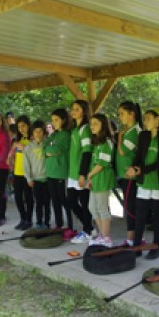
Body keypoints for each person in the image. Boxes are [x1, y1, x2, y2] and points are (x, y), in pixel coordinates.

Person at [126, 109, 159, 259]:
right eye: (144, 119)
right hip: (144, 182)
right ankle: (136, 246)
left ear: (158, 120)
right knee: (140, 215)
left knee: (158, 216)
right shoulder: (143, 135)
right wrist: (133, 167)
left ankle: (155, 246)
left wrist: (141, 170)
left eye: (149, 119)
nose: (145, 122)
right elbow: (139, 155)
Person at [68, 100, 96, 244]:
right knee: (71, 201)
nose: (73, 111)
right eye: (72, 109)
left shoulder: (85, 129)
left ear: (84, 111)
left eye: (77, 109)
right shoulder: (74, 129)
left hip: (81, 173)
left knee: (84, 203)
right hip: (72, 173)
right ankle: (89, 226)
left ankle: (87, 231)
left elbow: (87, 152)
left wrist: (83, 174)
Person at [87, 113, 116, 247]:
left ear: (103, 125)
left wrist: (89, 175)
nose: (92, 126)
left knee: (102, 208)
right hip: (95, 177)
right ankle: (102, 235)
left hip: (103, 177)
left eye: (96, 124)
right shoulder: (97, 141)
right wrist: (91, 177)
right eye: (91, 124)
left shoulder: (107, 142)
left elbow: (102, 164)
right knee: (92, 207)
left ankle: (106, 238)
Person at [116, 101, 142, 247]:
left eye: (122, 113)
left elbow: (122, 151)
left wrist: (119, 138)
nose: (120, 117)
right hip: (124, 175)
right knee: (128, 206)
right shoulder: (128, 130)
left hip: (130, 176)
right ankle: (131, 238)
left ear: (132, 114)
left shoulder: (134, 132)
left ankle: (132, 239)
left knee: (131, 208)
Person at [43, 108, 71, 231]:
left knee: (64, 201)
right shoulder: (53, 134)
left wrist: (49, 151)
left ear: (64, 120)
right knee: (55, 201)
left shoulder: (65, 135)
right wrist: (48, 151)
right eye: (52, 120)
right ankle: (59, 225)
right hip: (50, 172)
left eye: (56, 120)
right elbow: (43, 147)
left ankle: (70, 225)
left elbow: (56, 150)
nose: (53, 122)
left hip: (60, 173)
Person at [24, 120, 51, 229]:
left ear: (44, 133)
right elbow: (26, 164)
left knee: (47, 203)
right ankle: (39, 222)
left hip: (47, 180)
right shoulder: (28, 147)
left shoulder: (48, 145)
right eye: (36, 131)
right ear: (32, 133)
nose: (38, 133)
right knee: (38, 203)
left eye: (40, 131)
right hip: (35, 180)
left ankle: (47, 222)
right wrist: (28, 178)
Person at [9, 115, 33, 230]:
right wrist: (10, 159)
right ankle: (22, 218)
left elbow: (33, 153)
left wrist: (22, 147)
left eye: (23, 126)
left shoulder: (32, 139)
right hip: (17, 173)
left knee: (28, 198)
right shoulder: (16, 140)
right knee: (18, 197)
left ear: (28, 125)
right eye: (19, 126)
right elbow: (11, 155)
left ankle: (29, 220)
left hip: (28, 174)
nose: (21, 128)